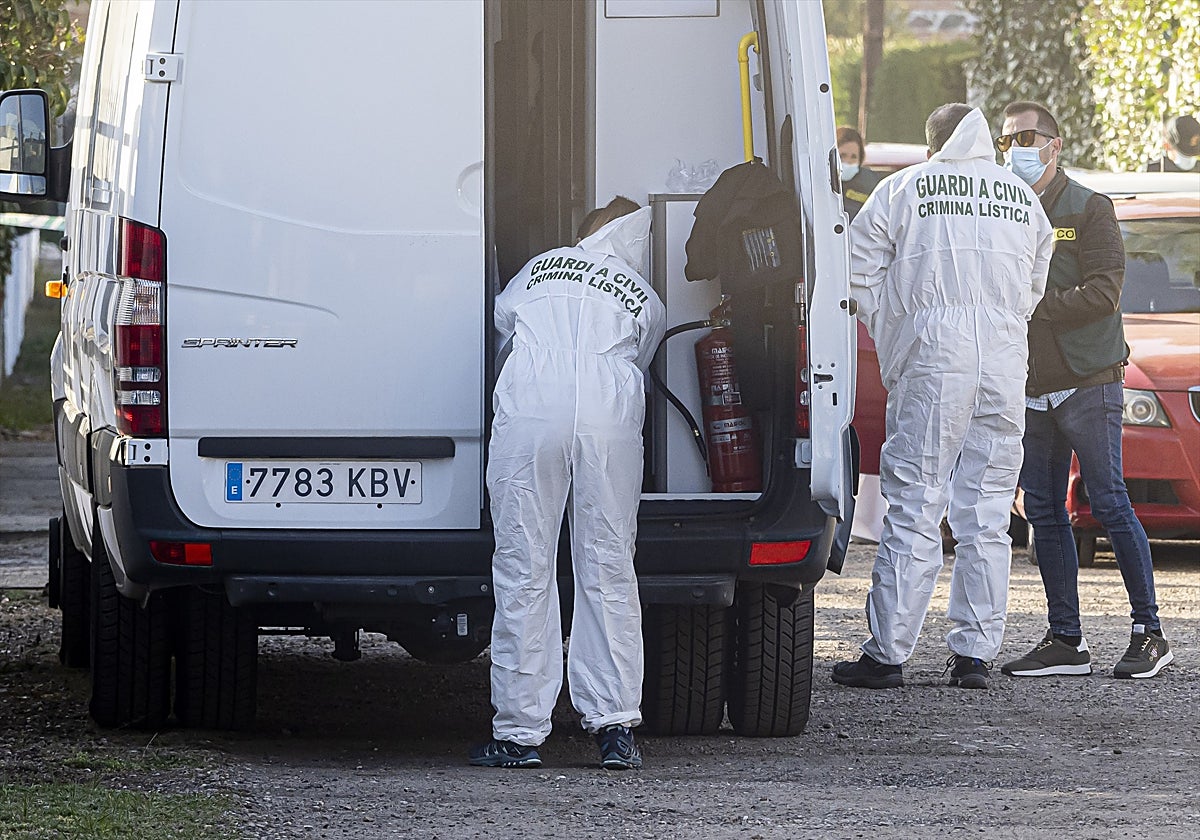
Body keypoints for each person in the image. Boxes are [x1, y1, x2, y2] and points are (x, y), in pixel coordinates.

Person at [832, 104, 1052, 691]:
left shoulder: (903, 189)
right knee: (987, 511)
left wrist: (897, 332)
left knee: (915, 500)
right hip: (1004, 364)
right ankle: (974, 655)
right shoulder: (1020, 198)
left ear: (930, 147)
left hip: (934, 360)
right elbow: (1035, 285)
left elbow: (856, 275)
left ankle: (888, 652)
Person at [469, 197, 666, 769]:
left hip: (533, 409)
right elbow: (645, 352)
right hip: (607, 417)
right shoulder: (641, 294)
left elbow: (500, 335)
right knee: (607, 565)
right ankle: (614, 727)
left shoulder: (538, 268)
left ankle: (518, 733)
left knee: (524, 564)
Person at [998, 101, 1174, 680]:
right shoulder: (1003, 208)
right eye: (1008, 140)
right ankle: (1066, 640)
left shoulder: (1088, 207)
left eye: (1028, 137)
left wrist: (1034, 309)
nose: (1017, 148)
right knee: (1045, 511)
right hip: (1032, 383)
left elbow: (1104, 292)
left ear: (1055, 144)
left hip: (1088, 380)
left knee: (1108, 501)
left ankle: (1149, 632)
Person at [837, 125, 883, 220]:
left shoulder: (871, 185)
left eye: (853, 157)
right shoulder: (817, 184)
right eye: (842, 156)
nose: (847, 161)